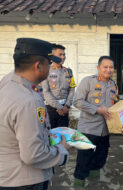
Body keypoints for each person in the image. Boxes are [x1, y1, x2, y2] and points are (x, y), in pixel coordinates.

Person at [0, 38, 70, 189]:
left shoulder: (7, 82)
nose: (51, 68)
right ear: (38, 66)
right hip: (24, 181)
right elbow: (33, 154)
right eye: (49, 64)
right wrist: (62, 150)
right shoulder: (29, 100)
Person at [73, 56, 118, 187]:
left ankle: (94, 184)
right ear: (98, 68)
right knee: (83, 161)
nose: (108, 70)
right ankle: (79, 185)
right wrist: (97, 109)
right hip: (88, 129)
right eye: (105, 67)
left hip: (105, 130)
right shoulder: (88, 81)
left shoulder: (113, 85)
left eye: (111, 67)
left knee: (100, 160)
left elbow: (114, 104)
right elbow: (77, 101)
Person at [41, 44, 76, 129]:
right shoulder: (45, 70)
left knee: (63, 135)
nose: (63, 57)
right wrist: (59, 107)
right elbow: (46, 92)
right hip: (50, 109)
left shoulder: (68, 71)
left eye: (64, 54)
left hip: (65, 109)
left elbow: (72, 89)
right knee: (50, 136)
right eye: (60, 54)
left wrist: (66, 106)